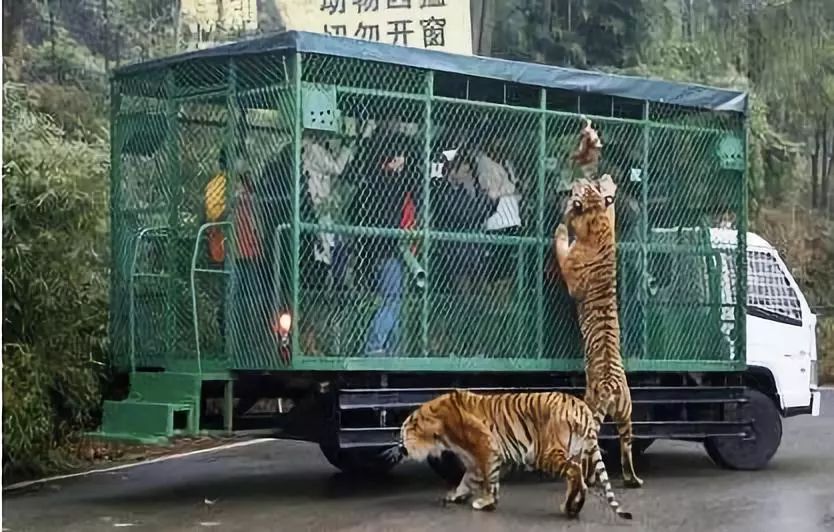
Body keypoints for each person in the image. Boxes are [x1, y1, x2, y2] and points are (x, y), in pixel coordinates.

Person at [350, 131, 421, 356]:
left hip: (379, 250)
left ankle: (392, 350)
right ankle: (375, 345)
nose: (404, 161)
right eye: (401, 156)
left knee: (396, 301)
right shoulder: (389, 183)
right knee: (392, 299)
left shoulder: (373, 182)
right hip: (388, 250)